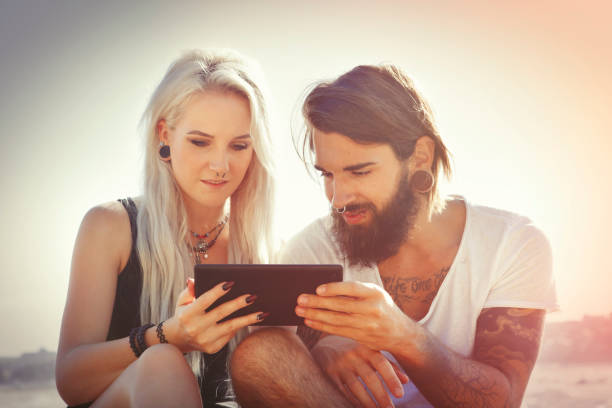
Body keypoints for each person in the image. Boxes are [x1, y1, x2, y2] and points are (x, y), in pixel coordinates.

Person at [229, 64, 558, 408]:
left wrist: (404, 336)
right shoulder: (311, 248)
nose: (338, 199)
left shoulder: (513, 245)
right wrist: (321, 348)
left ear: (420, 157)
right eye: (328, 174)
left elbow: (502, 402)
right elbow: (270, 365)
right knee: (261, 354)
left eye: (360, 171)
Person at [55, 49, 276, 408]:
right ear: (165, 135)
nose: (221, 165)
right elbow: (70, 382)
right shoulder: (109, 227)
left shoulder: (263, 249)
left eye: (238, 146)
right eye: (200, 142)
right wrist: (168, 336)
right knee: (160, 364)